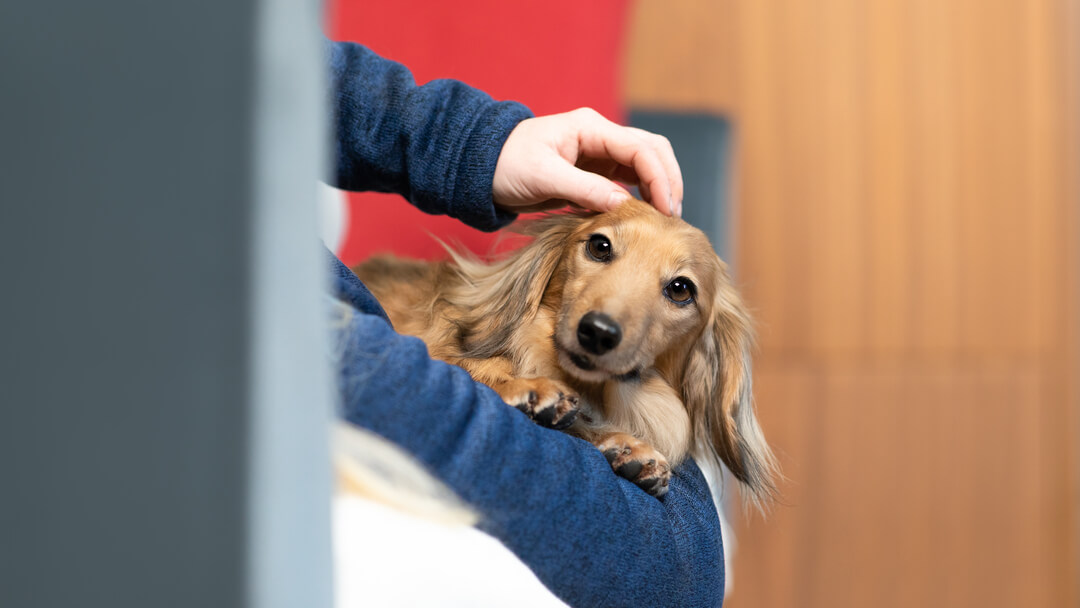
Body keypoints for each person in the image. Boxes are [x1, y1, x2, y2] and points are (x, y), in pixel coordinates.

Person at [326, 40, 724, 607]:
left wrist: (487, 144)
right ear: (549, 269)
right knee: (677, 564)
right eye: (601, 248)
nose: (606, 319)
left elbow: (260, 77)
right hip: (313, 328)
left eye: (678, 290)